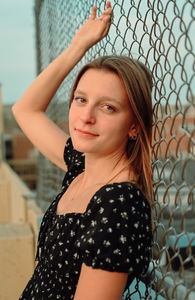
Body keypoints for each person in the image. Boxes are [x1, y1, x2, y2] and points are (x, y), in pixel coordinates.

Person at [13, 2, 153, 299]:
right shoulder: (82, 165)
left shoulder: (119, 204)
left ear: (134, 126)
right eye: (80, 99)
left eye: (108, 107)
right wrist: (79, 46)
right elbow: (25, 110)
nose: (86, 117)